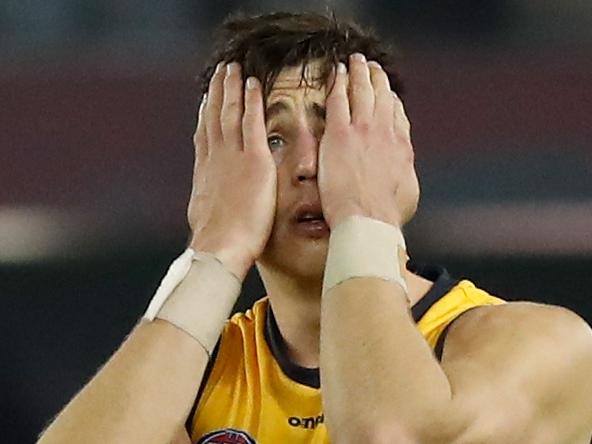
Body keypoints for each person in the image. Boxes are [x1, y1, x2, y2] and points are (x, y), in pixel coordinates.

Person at [38, 11, 592, 444]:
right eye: (272, 140)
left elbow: (393, 436)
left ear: (396, 156)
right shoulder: (194, 376)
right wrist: (215, 248)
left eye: (337, 132)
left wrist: (364, 215)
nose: (309, 164)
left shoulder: (541, 345)